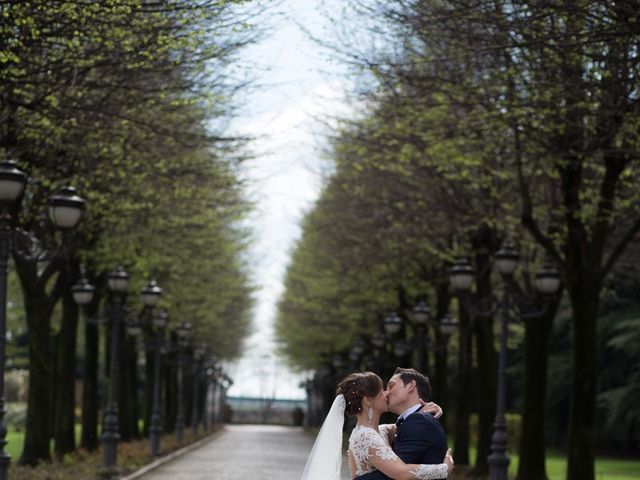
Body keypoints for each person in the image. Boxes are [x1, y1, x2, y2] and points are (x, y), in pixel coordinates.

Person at [300, 371, 453, 480]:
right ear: (368, 400)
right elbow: (400, 473)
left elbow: (405, 424)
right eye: (382, 391)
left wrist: (424, 412)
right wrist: (443, 469)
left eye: (389, 387)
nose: (387, 393)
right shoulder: (366, 436)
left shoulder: (380, 430)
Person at [357, 368, 450, 480]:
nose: (386, 393)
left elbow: (394, 476)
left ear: (411, 386)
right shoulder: (410, 422)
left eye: (391, 386)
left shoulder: (419, 421)